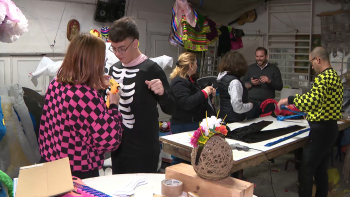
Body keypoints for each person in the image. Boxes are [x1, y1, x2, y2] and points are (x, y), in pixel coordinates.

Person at [38, 34, 124, 179]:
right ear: (93, 62)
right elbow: (110, 141)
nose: (104, 64)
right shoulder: (86, 95)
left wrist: (93, 82)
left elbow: (77, 117)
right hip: (77, 174)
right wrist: (114, 105)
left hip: (50, 166)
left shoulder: (56, 84)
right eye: (103, 60)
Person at [106, 17, 175, 174]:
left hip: (143, 150)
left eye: (122, 48)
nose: (117, 54)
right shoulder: (113, 69)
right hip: (118, 148)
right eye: (114, 49)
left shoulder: (151, 69)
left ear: (135, 43)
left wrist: (163, 93)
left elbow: (171, 107)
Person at [278, 47, 343, 197]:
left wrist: (289, 100)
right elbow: (321, 101)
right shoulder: (334, 76)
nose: (312, 66)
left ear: (318, 60)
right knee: (320, 169)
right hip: (331, 128)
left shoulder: (323, 77)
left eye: (311, 62)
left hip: (321, 130)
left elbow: (313, 101)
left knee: (306, 170)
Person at [169, 52, 216, 165]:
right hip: (183, 125)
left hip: (191, 123)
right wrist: (204, 92)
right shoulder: (179, 82)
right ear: (190, 65)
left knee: (191, 158)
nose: (197, 66)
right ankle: (174, 180)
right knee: (180, 158)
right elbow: (187, 102)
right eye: (196, 63)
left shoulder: (189, 80)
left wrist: (209, 95)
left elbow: (195, 98)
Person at [242, 47, 283, 119]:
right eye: (257, 56)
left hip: (268, 104)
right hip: (251, 103)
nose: (259, 58)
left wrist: (269, 81)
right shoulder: (250, 68)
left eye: (261, 56)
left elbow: (280, 87)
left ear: (266, 56)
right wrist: (251, 83)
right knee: (250, 126)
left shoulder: (274, 68)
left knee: (268, 126)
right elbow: (242, 85)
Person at [217, 51, 253, 123]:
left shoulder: (222, 77)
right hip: (235, 121)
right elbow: (237, 108)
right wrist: (250, 105)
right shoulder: (235, 82)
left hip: (224, 118)